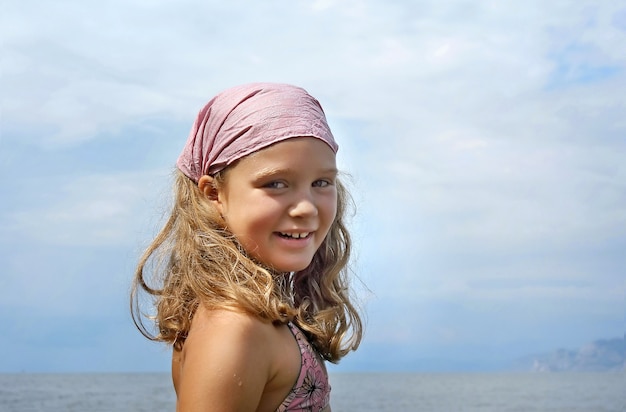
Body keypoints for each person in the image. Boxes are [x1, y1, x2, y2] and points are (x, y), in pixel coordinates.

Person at [131, 82, 363, 411]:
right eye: (276, 183)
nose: (307, 208)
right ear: (213, 195)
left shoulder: (258, 319)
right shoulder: (235, 330)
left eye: (321, 182)